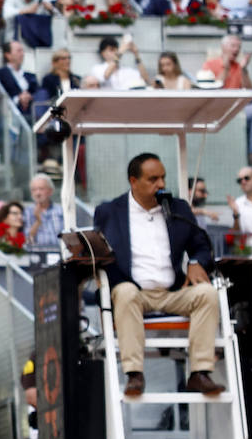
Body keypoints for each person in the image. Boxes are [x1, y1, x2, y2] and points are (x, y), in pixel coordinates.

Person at [93, 153, 223, 398]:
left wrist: (195, 262)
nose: (161, 185)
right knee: (126, 292)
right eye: (153, 179)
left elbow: (201, 245)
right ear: (133, 181)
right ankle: (134, 374)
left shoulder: (178, 208)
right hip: (134, 293)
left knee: (206, 293)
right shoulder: (109, 211)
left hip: (172, 292)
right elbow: (99, 253)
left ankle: (200, 372)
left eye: (162, 177)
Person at [23, 173, 64, 249]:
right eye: (34, 190)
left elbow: (67, 236)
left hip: (59, 252)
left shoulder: (60, 210)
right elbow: (28, 239)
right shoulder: (28, 211)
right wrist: (38, 221)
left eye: (41, 189)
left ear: (50, 191)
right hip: (38, 254)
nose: (38, 193)